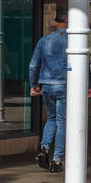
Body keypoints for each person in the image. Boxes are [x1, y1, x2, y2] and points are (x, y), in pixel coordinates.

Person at [29, 12, 69, 171]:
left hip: (46, 85)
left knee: (51, 119)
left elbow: (33, 65)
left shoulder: (44, 41)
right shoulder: (73, 40)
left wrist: (34, 85)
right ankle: (57, 160)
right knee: (61, 122)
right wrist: (87, 84)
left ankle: (44, 148)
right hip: (64, 85)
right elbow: (83, 64)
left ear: (56, 23)